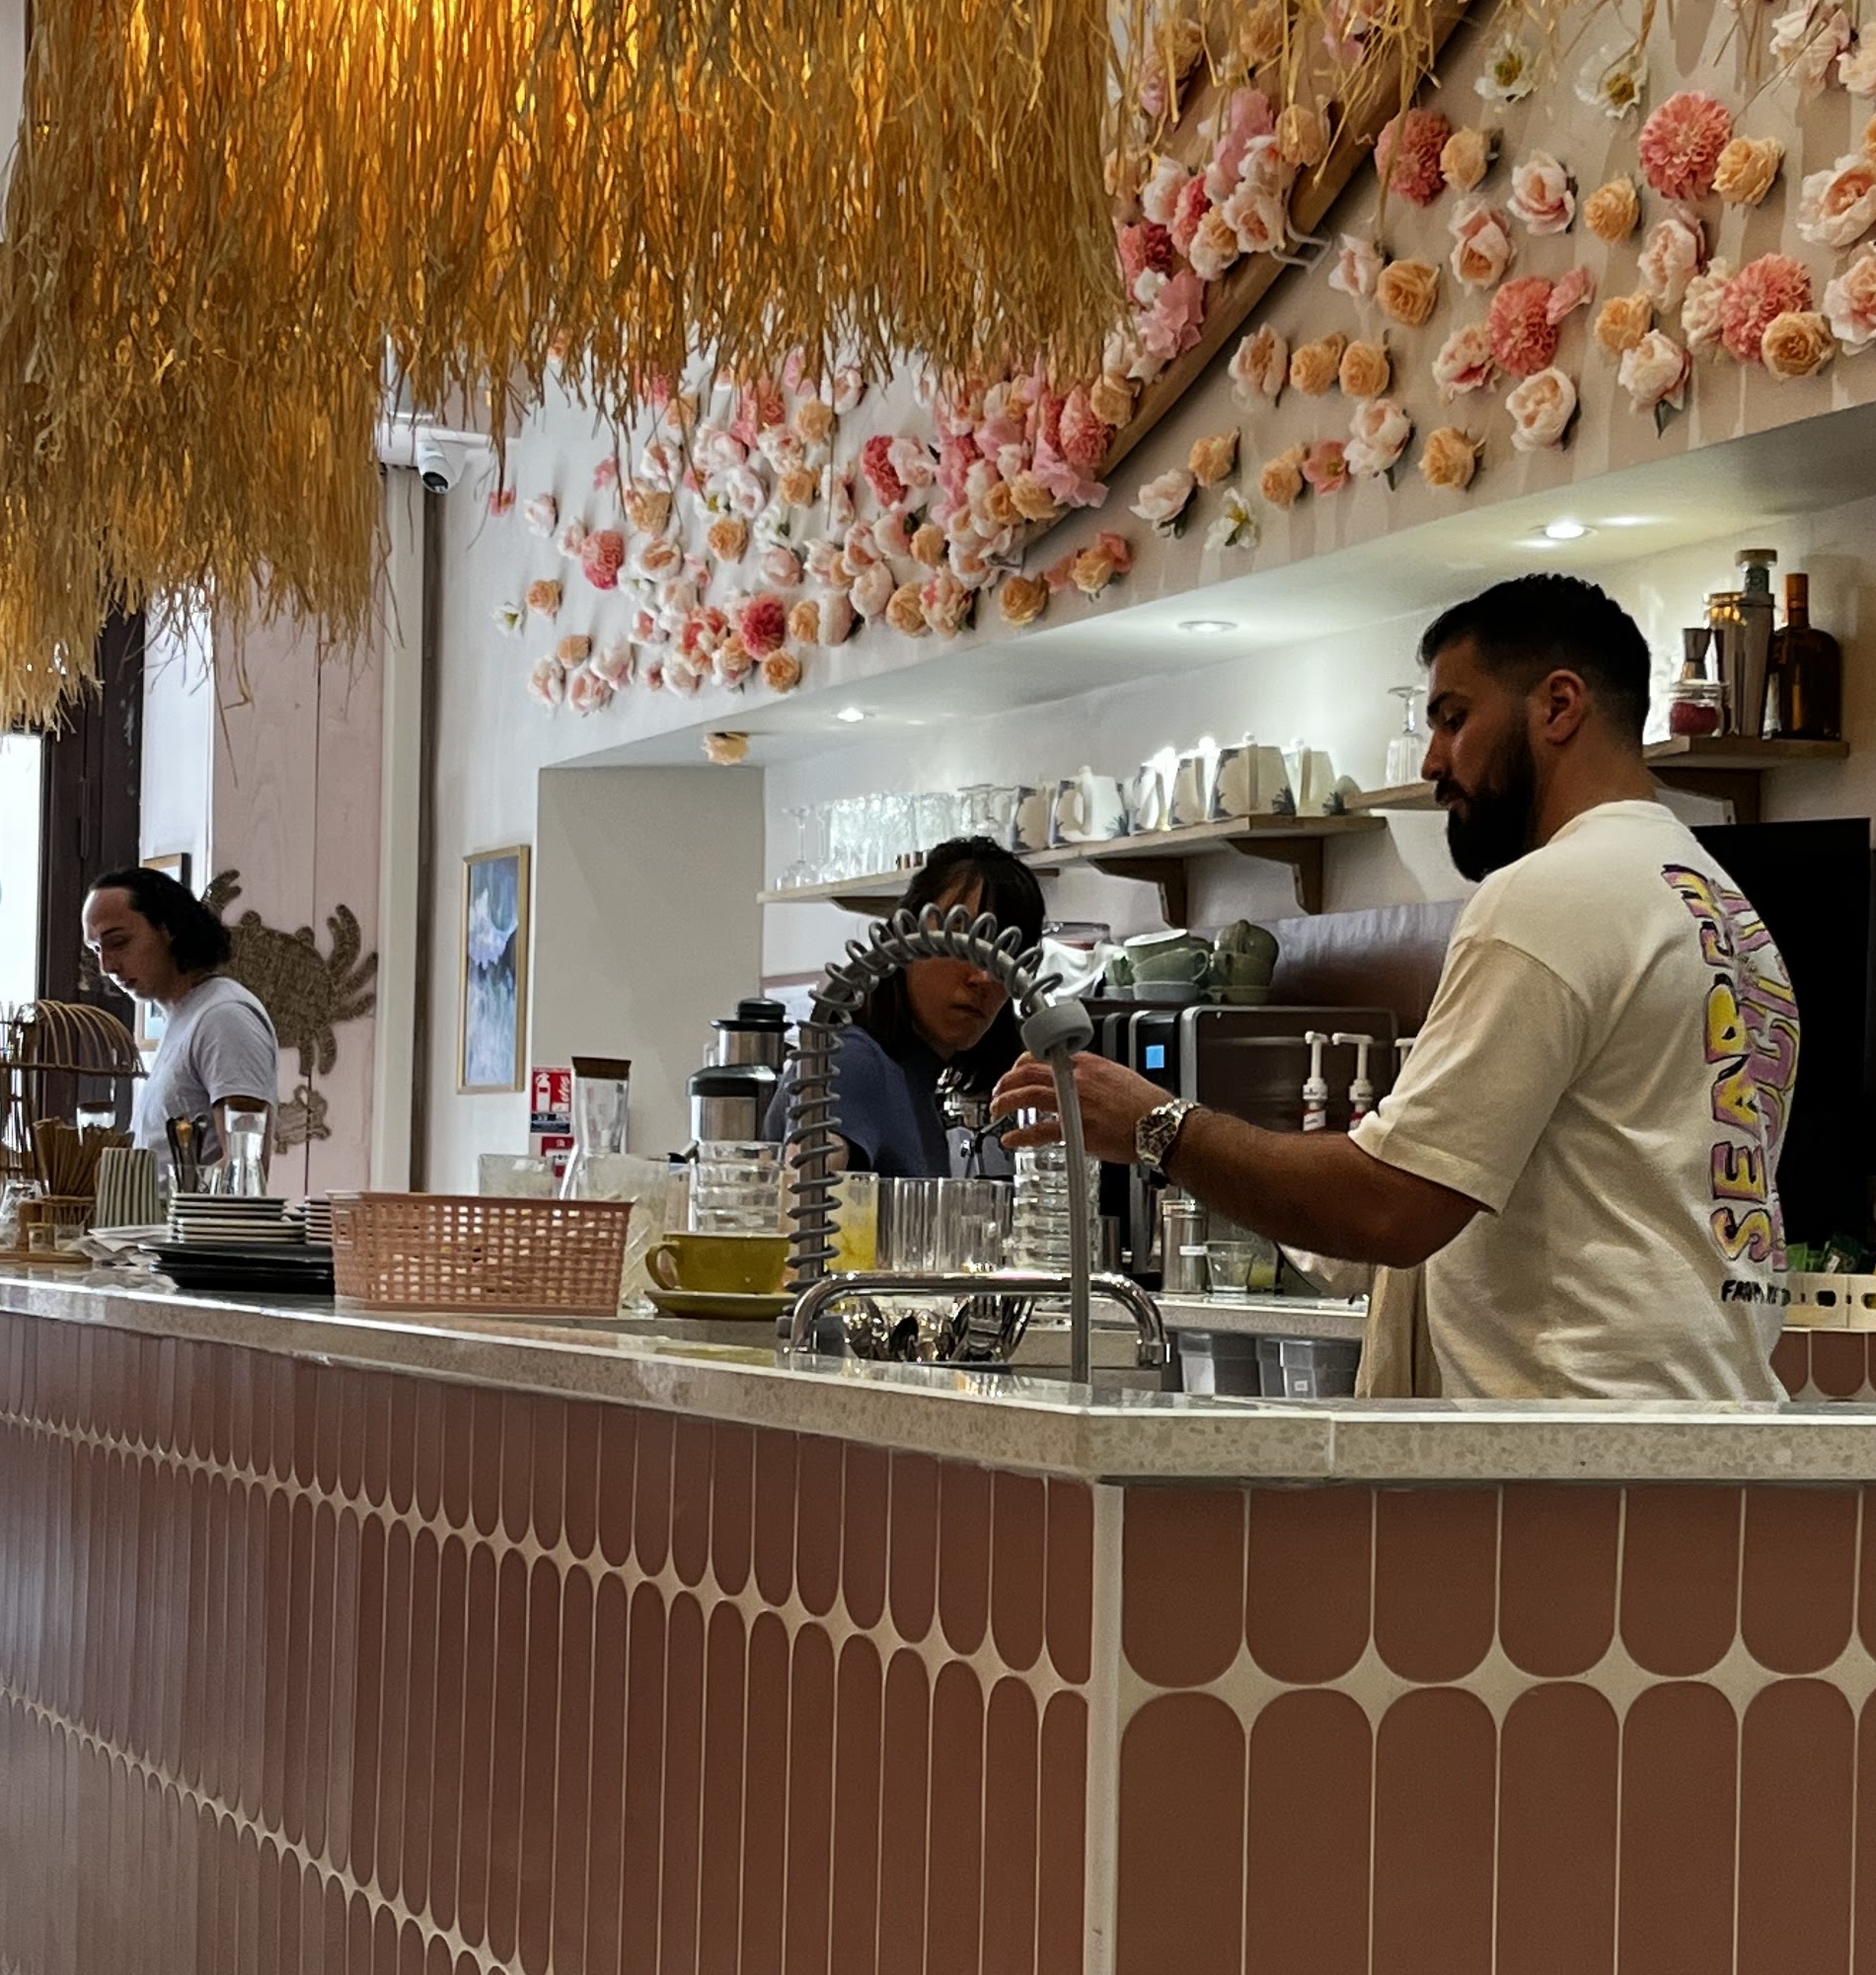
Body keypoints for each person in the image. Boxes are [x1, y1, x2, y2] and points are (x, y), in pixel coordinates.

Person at [995, 573, 1801, 1405]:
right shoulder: (1729, 914)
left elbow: (1389, 1208)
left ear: (1559, 707)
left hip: (1581, 1437)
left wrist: (1159, 1127)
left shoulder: (1550, 896)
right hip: (1713, 1423)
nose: (1432, 762)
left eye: (1454, 718)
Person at [772, 831, 1045, 1179]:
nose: (985, 976)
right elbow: (803, 1180)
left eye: (1007, 956)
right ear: (907, 937)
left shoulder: (915, 1088)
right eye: (962, 939)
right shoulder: (851, 1060)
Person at [82, 868, 281, 1169]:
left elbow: (245, 1166)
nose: (106, 966)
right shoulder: (187, 1015)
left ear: (169, 929)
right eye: (96, 949)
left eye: (119, 942)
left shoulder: (224, 1017)